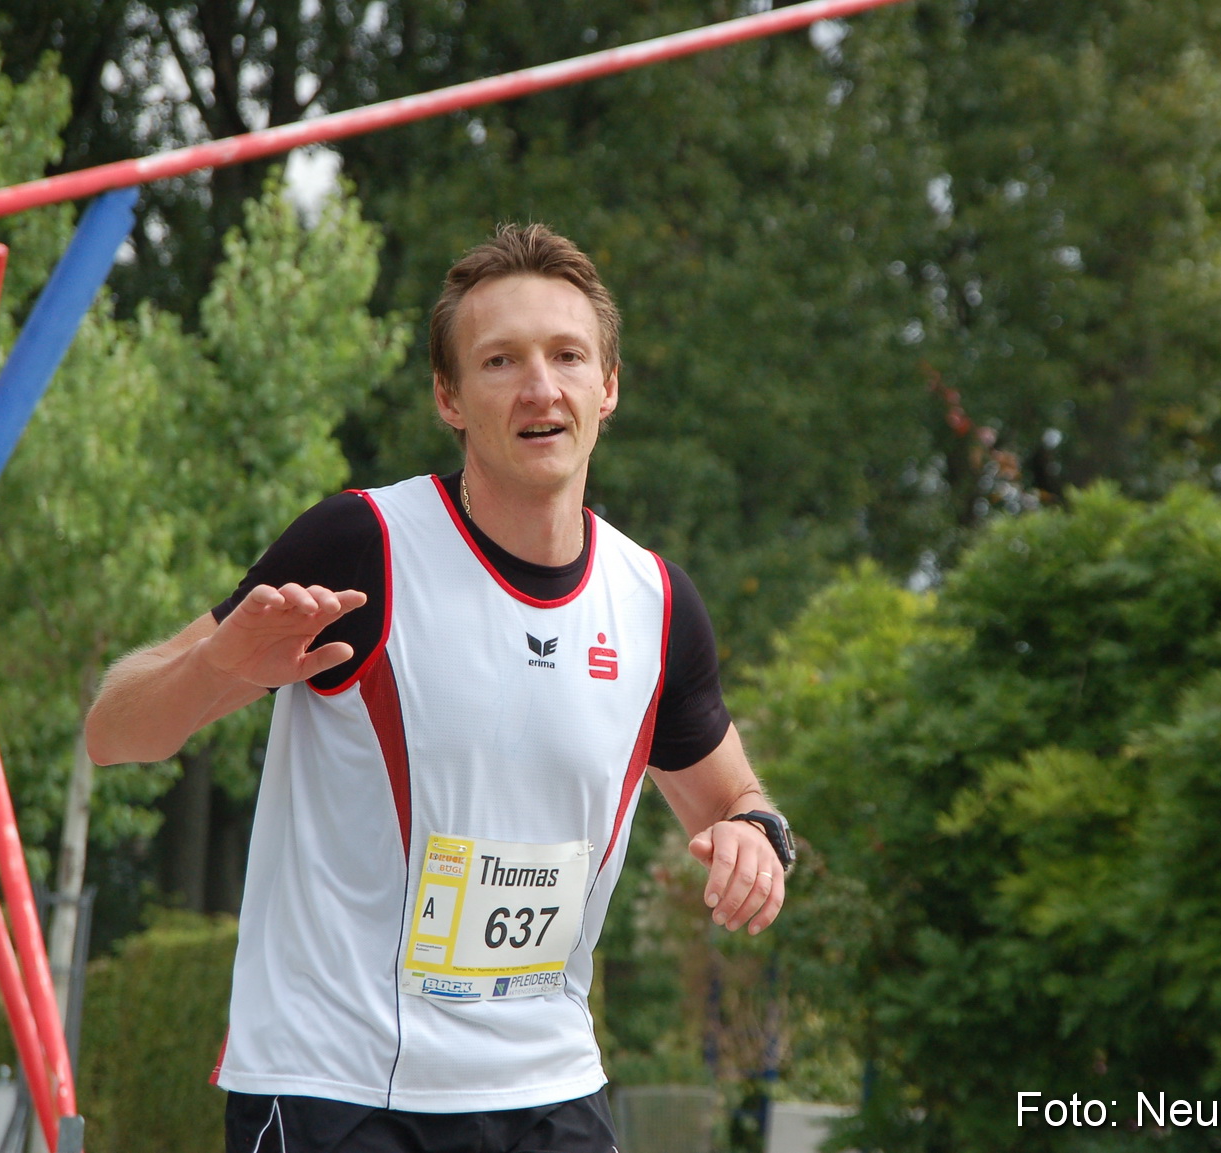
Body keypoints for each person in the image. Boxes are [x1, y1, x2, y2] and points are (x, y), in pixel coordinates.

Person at [85, 224, 795, 1153]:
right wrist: (218, 665)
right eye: (501, 361)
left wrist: (757, 835)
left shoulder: (656, 604)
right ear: (449, 397)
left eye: (567, 356)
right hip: (339, 1090)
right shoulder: (362, 546)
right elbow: (114, 730)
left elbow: (736, 800)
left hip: (551, 1088)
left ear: (608, 386)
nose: (540, 388)